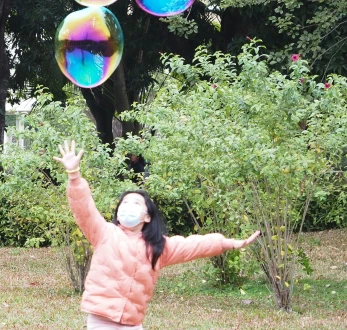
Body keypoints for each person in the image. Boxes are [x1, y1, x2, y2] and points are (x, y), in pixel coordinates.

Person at [54, 141, 259, 330]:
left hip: (133, 323)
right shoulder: (104, 233)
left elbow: (195, 245)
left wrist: (229, 243)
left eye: (136, 204)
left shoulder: (158, 247)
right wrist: (74, 174)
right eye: (124, 203)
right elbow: (83, 207)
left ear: (148, 217)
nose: (128, 207)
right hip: (101, 321)